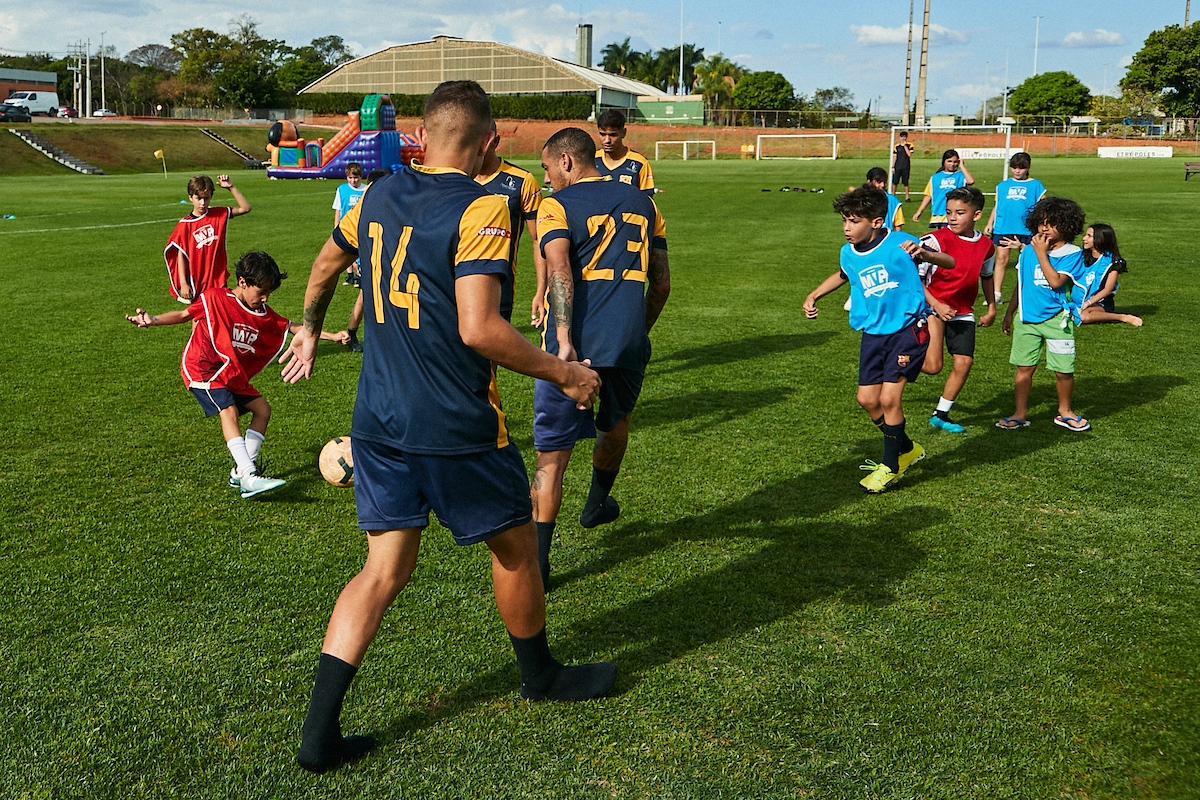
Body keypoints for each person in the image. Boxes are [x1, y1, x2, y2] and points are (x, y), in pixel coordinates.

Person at [280, 80, 616, 774]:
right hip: (455, 421)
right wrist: (566, 373)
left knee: (382, 569)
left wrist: (310, 332)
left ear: (421, 136)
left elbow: (324, 263)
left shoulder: (375, 193)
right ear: (491, 143)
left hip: (377, 417)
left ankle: (318, 735)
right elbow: (480, 328)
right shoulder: (485, 206)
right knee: (519, 548)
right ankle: (540, 675)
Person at [531, 126, 670, 590]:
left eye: (548, 169)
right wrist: (636, 331)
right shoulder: (645, 204)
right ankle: (597, 503)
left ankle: (541, 564)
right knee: (616, 424)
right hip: (627, 343)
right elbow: (662, 284)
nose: (547, 179)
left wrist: (565, 336)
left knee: (552, 456)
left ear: (567, 161)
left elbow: (559, 269)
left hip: (573, 346)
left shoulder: (556, 205)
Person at [127, 251, 347, 498]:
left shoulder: (262, 312)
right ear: (243, 282)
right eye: (261, 291)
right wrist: (153, 320)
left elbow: (294, 327)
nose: (264, 298)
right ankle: (249, 474)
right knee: (228, 411)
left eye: (269, 294)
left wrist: (330, 335)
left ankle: (240, 473)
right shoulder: (214, 298)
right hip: (203, 367)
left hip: (230, 372)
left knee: (263, 410)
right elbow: (183, 315)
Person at [803, 186, 954, 493]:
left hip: (907, 328)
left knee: (889, 399)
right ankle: (907, 448)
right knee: (867, 400)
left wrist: (924, 253)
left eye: (854, 221)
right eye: (844, 221)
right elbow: (843, 274)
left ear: (875, 222)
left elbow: (948, 261)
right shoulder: (849, 252)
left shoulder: (901, 242)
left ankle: (890, 466)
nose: (847, 228)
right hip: (873, 333)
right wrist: (815, 293)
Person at [998, 196, 1091, 432]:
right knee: (1024, 368)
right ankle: (1019, 413)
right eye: (1042, 222)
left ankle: (1065, 411)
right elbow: (1022, 283)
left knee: (1063, 370)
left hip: (1058, 320)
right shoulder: (1029, 251)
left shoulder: (1072, 254)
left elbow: (1055, 282)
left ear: (1068, 226)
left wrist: (1041, 253)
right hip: (1027, 319)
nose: (1045, 228)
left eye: (1053, 223)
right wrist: (1010, 312)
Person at [917, 186, 997, 433]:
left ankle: (941, 413)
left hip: (962, 310)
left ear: (976, 215)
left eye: (959, 212)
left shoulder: (987, 246)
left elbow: (987, 275)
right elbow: (914, 279)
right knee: (933, 367)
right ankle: (892, 351)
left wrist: (992, 307)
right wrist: (936, 305)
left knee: (964, 362)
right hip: (932, 305)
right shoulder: (933, 241)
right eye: (949, 212)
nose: (952, 218)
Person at [473, 120, 547, 325]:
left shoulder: (522, 181)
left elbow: (537, 240)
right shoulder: (457, 179)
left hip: (500, 285)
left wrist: (541, 291)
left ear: (495, 142)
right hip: (455, 282)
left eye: (482, 143)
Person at [164, 174, 251, 302]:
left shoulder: (219, 214)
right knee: (199, 315)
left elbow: (246, 208)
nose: (203, 203)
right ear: (190, 197)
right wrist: (183, 283)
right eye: (198, 198)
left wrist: (231, 187)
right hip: (198, 280)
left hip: (218, 279)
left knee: (219, 314)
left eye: (206, 198)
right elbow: (181, 254)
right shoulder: (185, 225)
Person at [984, 152, 1045, 304]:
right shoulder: (1002, 186)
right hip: (1004, 228)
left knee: (1028, 259)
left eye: (1021, 168)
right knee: (1001, 258)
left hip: (1026, 229)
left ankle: (1030, 292)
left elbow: (1042, 208)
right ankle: (996, 293)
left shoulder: (1036, 185)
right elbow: (998, 206)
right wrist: (989, 223)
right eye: (1014, 167)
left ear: (1028, 168)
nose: (1017, 171)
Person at [334, 164, 372, 353]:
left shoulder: (374, 199)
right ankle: (353, 333)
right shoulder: (345, 192)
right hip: (357, 242)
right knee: (365, 297)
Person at [1078, 223, 1142, 326]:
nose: (1084, 238)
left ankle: (1122, 317)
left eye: (1089, 236)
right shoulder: (1080, 256)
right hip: (1080, 299)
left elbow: (1108, 289)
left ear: (1100, 239)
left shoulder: (1112, 262)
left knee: (1083, 317)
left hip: (1100, 302)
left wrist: (1088, 303)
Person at [594, 109, 655, 195]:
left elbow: (647, 202)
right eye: (602, 134)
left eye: (613, 135)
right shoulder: (591, 160)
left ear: (623, 133)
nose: (607, 140)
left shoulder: (640, 163)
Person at [912, 149, 974, 229]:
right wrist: (919, 211)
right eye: (949, 161)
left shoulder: (961, 175)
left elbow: (971, 181)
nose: (952, 164)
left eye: (955, 162)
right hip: (940, 214)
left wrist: (962, 166)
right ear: (944, 162)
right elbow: (929, 195)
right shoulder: (935, 178)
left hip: (955, 213)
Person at [890, 131, 914, 201]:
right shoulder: (896, 146)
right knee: (895, 182)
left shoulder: (910, 145)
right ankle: (893, 195)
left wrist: (905, 146)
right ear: (900, 137)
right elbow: (895, 157)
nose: (903, 138)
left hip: (906, 166)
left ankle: (907, 197)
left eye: (904, 137)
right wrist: (893, 166)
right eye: (902, 137)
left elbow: (909, 154)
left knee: (905, 182)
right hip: (897, 166)